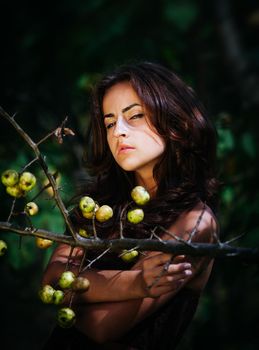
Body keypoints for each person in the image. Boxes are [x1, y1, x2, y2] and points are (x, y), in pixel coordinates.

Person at [42, 61, 219, 349]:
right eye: (109, 122)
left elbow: (99, 326)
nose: (117, 132)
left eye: (134, 116)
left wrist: (79, 285)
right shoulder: (99, 205)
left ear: (175, 120)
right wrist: (135, 282)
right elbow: (51, 280)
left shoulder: (194, 221)